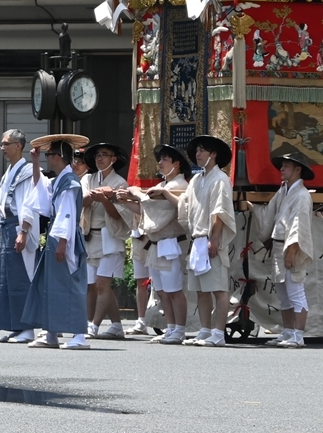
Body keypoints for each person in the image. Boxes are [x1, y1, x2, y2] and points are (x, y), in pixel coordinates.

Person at [16, 134, 90, 349]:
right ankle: (51, 333)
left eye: (48, 155)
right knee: (51, 285)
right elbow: (41, 190)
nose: (47, 158)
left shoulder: (69, 182)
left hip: (64, 237)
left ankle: (79, 335)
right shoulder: (60, 180)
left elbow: (67, 213)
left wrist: (63, 242)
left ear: (57, 156)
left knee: (70, 284)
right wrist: (35, 162)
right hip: (57, 236)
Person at [179, 134, 236, 347]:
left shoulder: (220, 179)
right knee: (201, 289)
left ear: (213, 154)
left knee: (218, 288)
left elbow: (220, 211)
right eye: (197, 150)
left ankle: (219, 332)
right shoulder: (196, 179)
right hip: (198, 238)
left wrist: (215, 238)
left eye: (202, 150)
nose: (198, 154)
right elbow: (187, 205)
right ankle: (205, 329)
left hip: (211, 238)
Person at [131, 143, 190, 344]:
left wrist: (136, 193)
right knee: (163, 291)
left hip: (172, 242)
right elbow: (147, 209)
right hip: (158, 244)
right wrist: (125, 201)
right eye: (160, 159)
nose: (160, 163)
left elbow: (151, 206)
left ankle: (179, 329)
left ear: (177, 164)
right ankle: (171, 327)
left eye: (165, 159)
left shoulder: (177, 185)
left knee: (174, 290)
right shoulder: (164, 186)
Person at [81, 142, 135, 340]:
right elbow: (81, 200)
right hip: (90, 235)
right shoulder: (88, 178)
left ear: (113, 159)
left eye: (104, 155)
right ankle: (115, 325)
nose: (100, 158)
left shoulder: (120, 183)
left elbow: (119, 214)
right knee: (91, 284)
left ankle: (94, 325)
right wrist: (97, 195)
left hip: (110, 236)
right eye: (97, 155)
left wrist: (104, 199)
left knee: (102, 283)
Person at [0, 129, 35, 344]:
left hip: (18, 228)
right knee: (6, 280)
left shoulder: (28, 171)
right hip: (7, 228)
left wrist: (23, 232)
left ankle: (27, 328)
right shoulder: (9, 171)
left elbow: (29, 205)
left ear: (19, 145)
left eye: (6, 144)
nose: (2, 148)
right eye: (1, 144)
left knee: (20, 278)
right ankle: (15, 326)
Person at [265, 153, 316, 348]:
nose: (282, 169)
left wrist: (292, 251)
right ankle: (287, 331)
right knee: (284, 295)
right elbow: (271, 211)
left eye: (286, 166)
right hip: (279, 244)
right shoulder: (284, 190)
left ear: (298, 170)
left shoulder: (301, 195)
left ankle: (298, 335)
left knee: (296, 291)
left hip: (290, 245)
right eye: (282, 165)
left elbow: (298, 225)